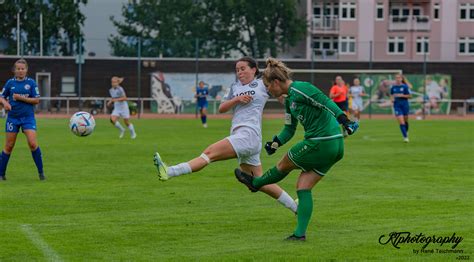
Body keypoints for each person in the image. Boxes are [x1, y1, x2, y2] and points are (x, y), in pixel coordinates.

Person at [153, 57, 298, 214]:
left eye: (243, 68)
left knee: (208, 154)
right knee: (260, 181)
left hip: (248, 135)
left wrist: (289, 102)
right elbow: (222, 108)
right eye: (237, 70)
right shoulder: (234, 88)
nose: (240, 72)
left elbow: (280, 91)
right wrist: (237, 99)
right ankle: (295, 207)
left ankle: (169, 171)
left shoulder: (262, 84)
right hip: (245, 137)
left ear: (254, 70)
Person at [234, 58, 358, 241]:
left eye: (268, 86)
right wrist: (275, 142)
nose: (268, 90)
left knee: (285, 163)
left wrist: (345, 120)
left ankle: (256, 183)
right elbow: (289, 130)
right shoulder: (289, 100)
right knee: (303, 187)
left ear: (276, 82)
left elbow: (325, 101)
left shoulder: (300, 88)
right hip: (334, 145)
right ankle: (299, 235)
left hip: (322, 140)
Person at [0, 59, 44, 181]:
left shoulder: (31, 83)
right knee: (9, 146)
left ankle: (41, 173)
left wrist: (20, 98)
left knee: (33, 143)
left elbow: (36, 100)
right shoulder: (10, 83)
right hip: (13, 118)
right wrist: (5, 103)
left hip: (28, 118)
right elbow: (1, 97)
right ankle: (1, 174)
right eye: (18, 69)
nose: (20, 71)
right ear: (14, 70)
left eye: (22, 69)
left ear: (26, 70)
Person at [390, 74, 412, 142]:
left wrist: (402, 95)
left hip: (405, 105)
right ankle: (405, 137)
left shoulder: (405, 87)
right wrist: (392, 99)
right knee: (401, 121)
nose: (397, 79)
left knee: (405, 121)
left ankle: (406, 132)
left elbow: (410, 96)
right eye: (396, 78)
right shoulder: (393, 87)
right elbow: (391, 95)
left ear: (401, 79)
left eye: (399, 78)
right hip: (397, 106)